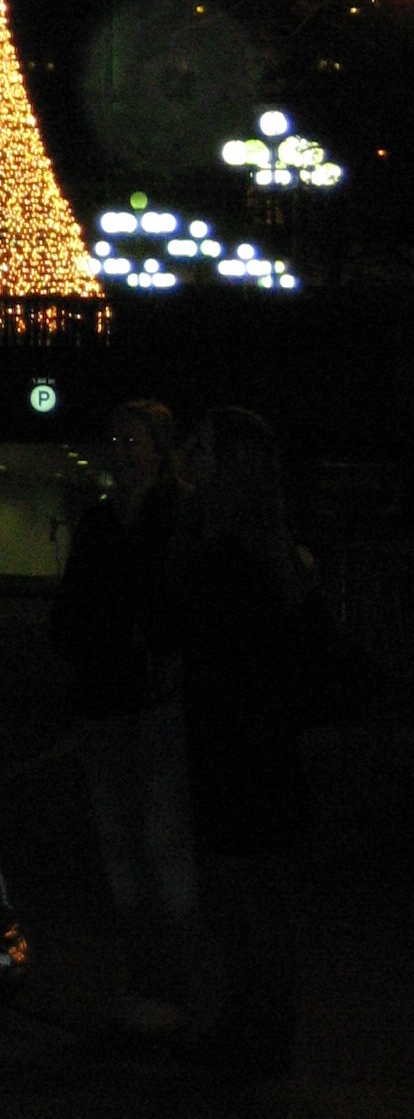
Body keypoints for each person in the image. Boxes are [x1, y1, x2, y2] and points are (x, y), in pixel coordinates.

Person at [49, 400, 200, 1040]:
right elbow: (73, 606)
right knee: (124, 852)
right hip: (107, 698)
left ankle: (177, 989)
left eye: (134, 441)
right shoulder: (102, 521)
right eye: (116, 441)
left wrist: (152, 644)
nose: (122, 452)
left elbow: (181, 603)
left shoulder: (178, 515)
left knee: (162, 848)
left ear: (160, 450)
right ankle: (148, 984)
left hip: (155, 700)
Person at [176, 407, 317, 1088]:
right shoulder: (271, 551)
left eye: (203, 449)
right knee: (254, 899)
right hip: (257, 748)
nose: (190, 457)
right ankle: (257, 1028)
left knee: (247, 900)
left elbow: (205, 644)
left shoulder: (230, 552)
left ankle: (255, 1031)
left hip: (239, 747)